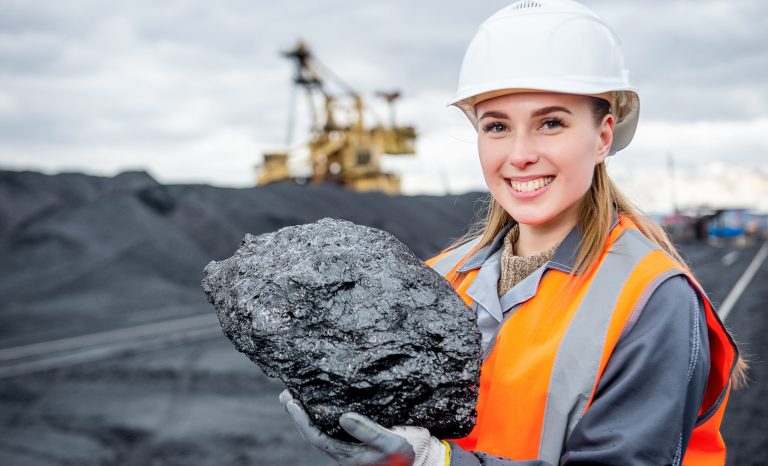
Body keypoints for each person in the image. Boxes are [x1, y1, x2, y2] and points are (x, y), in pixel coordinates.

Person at [279, 0, 746, 464]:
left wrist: (429, 462)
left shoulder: (651, 298)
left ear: (603, 136)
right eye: (497, 126)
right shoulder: (440, 279)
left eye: (550, 123)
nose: (520, 154)